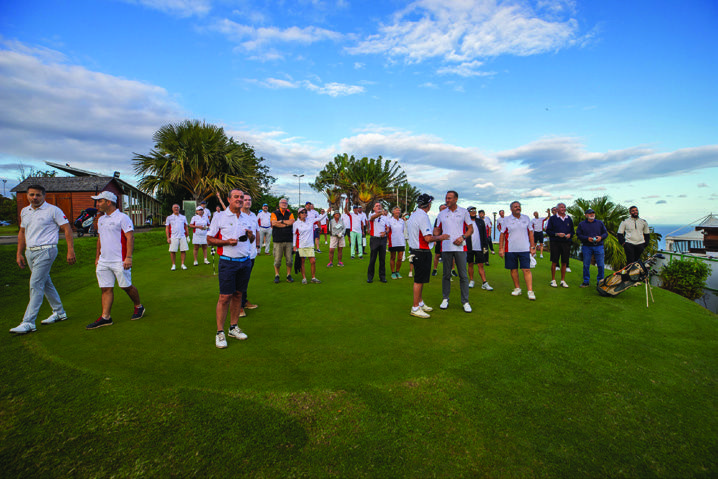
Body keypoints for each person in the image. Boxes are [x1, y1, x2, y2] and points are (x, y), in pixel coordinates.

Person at [11, 184, 76, 334]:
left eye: (38, 195)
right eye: (32, 195)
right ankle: (59, 312)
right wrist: (19, 253)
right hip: (30, 252)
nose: (34, 197)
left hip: (47, 250)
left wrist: (70, 251)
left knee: (35, 284)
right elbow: (22, 232)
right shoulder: (24, 211)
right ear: (27, 196)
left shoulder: (53, 210)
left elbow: (67, 229)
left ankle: (28, 322)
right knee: (45, 282)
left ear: (44, 196)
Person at [86, 191, 145, 329]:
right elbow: (100, 239)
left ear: (108, 202)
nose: (97, 204)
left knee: (126, 286)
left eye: (100, 201)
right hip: (104, 260)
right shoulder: (101, 219)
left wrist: (128, 257)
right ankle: (106, 317)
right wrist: (97, 257)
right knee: (105, 288)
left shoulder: (122, 218)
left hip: (120, 259)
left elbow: (130, 237)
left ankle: (139, 306)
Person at [207, 189, 255, 348]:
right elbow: (209, 239)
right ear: (228, 199)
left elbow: (252, 238)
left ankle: (233, 327)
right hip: (228, 262)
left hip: (245, 261)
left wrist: (250, 235)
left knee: (238, 295)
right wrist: (227, 242)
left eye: (242, 197)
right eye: (236, 197)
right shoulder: (219, 217)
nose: (240, 199)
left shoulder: (246, 218)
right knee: (224, 297)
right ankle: (220, 332)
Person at [407, 194, 450, 318]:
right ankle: (415, 307)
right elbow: (428, 238)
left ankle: (419, 303)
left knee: (421, 279)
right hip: (421, 251)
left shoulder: (414, 215)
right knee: (419, 280)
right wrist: (441, 237)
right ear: (429, 204)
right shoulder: (423, 216)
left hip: (417, 250)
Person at [434, 191, 474, 312]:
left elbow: (470, 229)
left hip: (460, 247)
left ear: (456, 199)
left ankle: (465, 302)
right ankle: (445, 298)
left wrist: (462, 237)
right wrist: (437, 235)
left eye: (450, 198)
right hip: (446, 248)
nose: (447, 200)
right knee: (446, 274)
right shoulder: (441, 214)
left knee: (463, 275)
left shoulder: (463, 212)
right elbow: (437, 229)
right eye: (446, 198)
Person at [498, 201, 536, 300]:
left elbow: (531, 233)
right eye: (515, 207)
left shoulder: (526, 218)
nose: (517, 208)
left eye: (519, 206)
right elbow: (502, 234)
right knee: (513, 269)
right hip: (510, 249)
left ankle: (530, 291)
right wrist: (501, 248)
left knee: (526, 269)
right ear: (511, 209)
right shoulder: (506, 220)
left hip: (524, 248)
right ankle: (517, 288)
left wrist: (532, 246)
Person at [576, 208, 608, 287]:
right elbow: (579, 235)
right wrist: (587, 238)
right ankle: (586, 281)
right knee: (586, 265)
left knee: (600, 265)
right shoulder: (582, 224)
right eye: (590, 213)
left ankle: (600, 281)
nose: (592, 214)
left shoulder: (600, 223)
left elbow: (605, 233)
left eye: (593, 213)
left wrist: (600, 237)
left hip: (599, 246)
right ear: (586, 215)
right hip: (587, 246)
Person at [546, 202, 574, 288]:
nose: (563, 209)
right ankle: (553, 280)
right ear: (557, 209)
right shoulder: (552, 219)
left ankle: (562, 280)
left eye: (564, 207)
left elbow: (572, 231)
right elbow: (548, 231)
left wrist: (570, 234)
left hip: (566, 242)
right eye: (561, 207)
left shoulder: (568, 218)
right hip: (555, 242)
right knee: (554, 261)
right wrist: (557, 234)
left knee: (564, 262)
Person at [466, 206, 493, 291]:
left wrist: (485, 246)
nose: (473, 212)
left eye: (474, 210)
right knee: (470, 263)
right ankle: (471, 280)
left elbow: (484, 234)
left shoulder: (480, 221)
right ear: (468, 212)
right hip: (469, 246)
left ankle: (484, 282)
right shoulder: (465, 222)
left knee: (480, 264)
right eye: (471, 210)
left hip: (479, 247)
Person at [240, 194, 259, 311]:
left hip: (251, 252)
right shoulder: (237, 215)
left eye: (249, 200)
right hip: (240, 252)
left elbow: (256, 231)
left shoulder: (253, 215)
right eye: (245, 200)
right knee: (240, 279)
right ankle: (239, 305)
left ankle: (244, 300)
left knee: (246, 278)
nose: (247, 202)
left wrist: (257, 245)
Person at [293, 208, 321, 284]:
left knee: (313, 261)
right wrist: (294, 246)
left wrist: (327, 211)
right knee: (302, 261)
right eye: (302, 212)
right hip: (301, 245)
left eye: (305, 212)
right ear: (299, 214)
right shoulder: (296, 223)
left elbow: (319, 218)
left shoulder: (310, 220)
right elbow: (294, 235)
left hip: (310, 244)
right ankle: (304, 278)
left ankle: (313, 277)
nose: (304, 213)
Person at [271, 198, 295, 283]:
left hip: (288, 239)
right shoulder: (274, 213)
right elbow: (273, 223)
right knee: (277, 260)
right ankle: (277, 275)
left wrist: (280, 222)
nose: (284, 204)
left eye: (285, 203)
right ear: (279, 204)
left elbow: (292, 221)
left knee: (289, 260)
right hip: (278, 240)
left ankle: (288, 275)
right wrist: (285, 224)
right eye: (282, 202)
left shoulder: (290, 213)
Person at [367, 201, 389, 283]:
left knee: (382, 259)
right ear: (374, 208)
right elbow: (372, 218)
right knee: (372, 259)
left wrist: (385, 232)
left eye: (380, 205)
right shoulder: (371, 214)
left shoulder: (385, 217)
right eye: (377, 206)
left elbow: (387, 228)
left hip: (382, 240)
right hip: (374, 240)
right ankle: (370, 277)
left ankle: (382, 277)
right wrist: (381, 214)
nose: (379, 207)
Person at [166, 204, 189, 271]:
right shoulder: (169, 217)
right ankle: (173, 265)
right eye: (175, 208)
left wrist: (187, 236)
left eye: (177, 207)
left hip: (182, 236)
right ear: (172, 209)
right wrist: (168, 237)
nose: (176, 209)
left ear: (179, 209)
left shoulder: (183, 217)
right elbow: (167, 228)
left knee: (183, 250)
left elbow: (186, 227)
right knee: (173, 251)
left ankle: (182, 264)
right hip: (173, 236)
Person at [387, 207, 405, 279]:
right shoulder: (389, 220)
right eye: (397, 210)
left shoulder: (401, 221)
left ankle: (397, 271)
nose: (398, 211)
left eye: (399, 210)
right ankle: (393, 272)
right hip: (393, 241)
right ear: (393, 212)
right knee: (393, 257)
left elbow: (402, 231)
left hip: (401, 241)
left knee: (400, 258)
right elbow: (388, 230)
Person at [432, 204, 448, 276]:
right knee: (437, 255)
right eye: (442, 208)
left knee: (451, 255)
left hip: (448, 239)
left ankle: (452, 270)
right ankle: (435, 269)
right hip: (439, 238)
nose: (444, 209)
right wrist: (435, 239)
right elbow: (435, 229)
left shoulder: (450, 217)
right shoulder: (438, 219)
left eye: (445, 208)